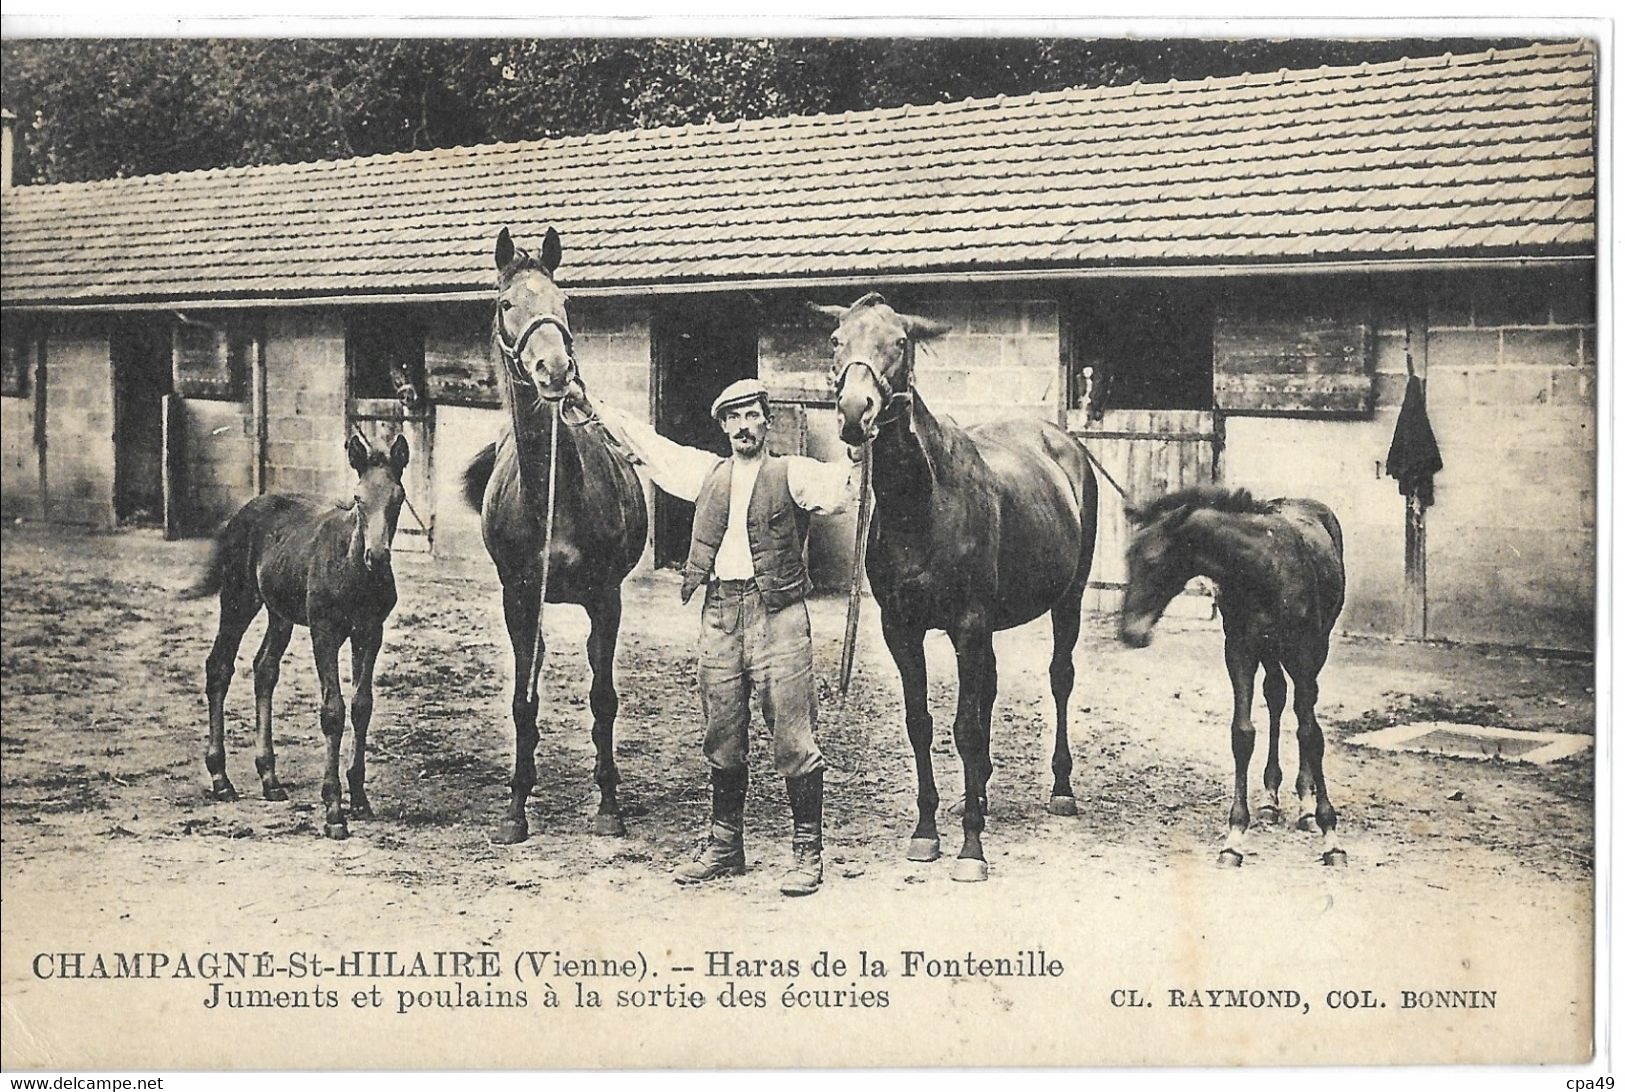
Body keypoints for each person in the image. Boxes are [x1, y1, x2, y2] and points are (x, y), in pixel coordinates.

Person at [593, 379, 862, 896]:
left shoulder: (794, 473)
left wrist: (858, 442)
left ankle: (807, 850)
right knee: (722, 731)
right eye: (733, 418)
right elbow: (649, 446)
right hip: (718, 614)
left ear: (768, 421)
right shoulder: (706, 474)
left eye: (752, 416)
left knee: (793, 734)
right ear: (723, 427)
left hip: (779, 615)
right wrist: (593, 402)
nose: (743, 426)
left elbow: (846, 487)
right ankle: (725, 844)